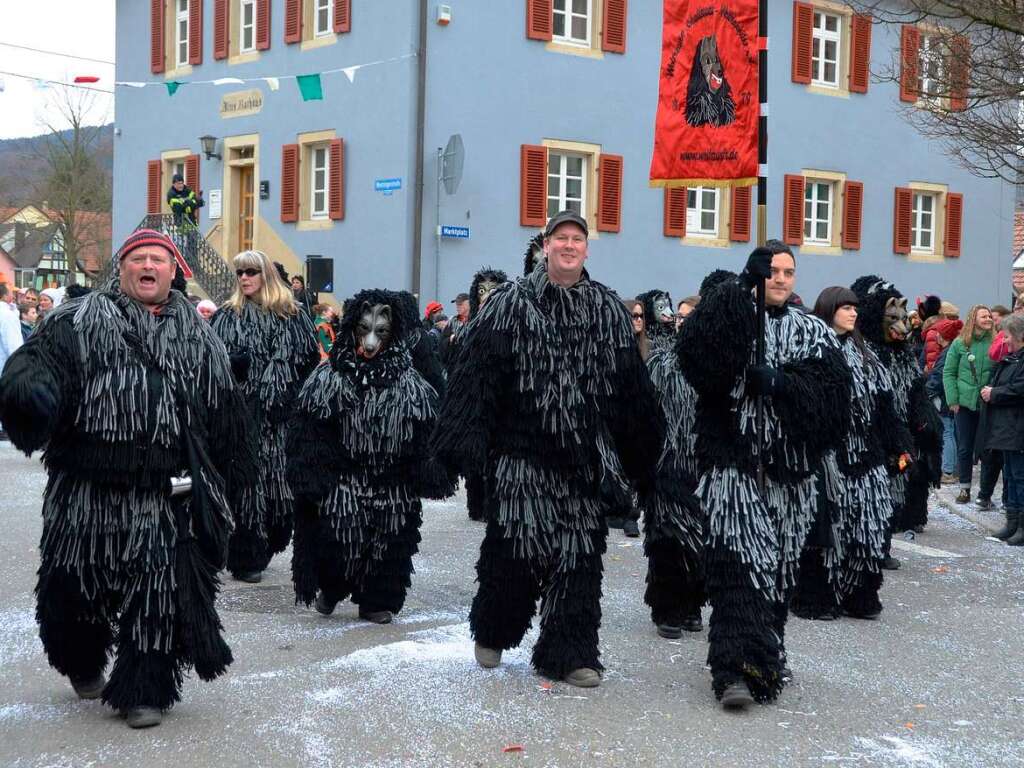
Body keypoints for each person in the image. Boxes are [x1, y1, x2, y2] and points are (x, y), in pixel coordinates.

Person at [0, 229, 254, 728]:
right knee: (73, 590)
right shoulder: (76, 322)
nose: (148, 266)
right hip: (86, 492)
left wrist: (234, 483)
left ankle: (145, 689)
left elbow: (224, 417)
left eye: (157, 259)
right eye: (138, 258)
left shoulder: (201, 337)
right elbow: (36, 365)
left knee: (157, 597)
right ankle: (81, 658)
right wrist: (26, 391)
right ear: (121, 268)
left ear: (173, 271)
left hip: (164, 496)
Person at [432, 210, 664, 688]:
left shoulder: (608, 309)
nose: (569, 246)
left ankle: (570, 651)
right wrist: (462, 446)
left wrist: (643, 459)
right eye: (561, 238)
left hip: (583, 459)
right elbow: (476, 378)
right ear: (546, 245)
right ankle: (495, 630)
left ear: (586, 249)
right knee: (515, 545)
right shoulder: (510, 305)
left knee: (579, 556)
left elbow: (631, 392)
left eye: (577, 239)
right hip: (523, 453)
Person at [677, 242, 851, 710]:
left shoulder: (814, 333)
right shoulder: (735, 317)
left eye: (787, 272)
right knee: (738, 567)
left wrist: (780, 383)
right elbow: (695, 356)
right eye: (770, 271)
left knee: (777, 574)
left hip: (790, 477)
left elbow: (834, 404)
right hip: (732, 468)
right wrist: (737, 289)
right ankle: (733, 670)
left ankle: (766, 652)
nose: (779, 279)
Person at [288, 289, 453, 624]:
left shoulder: (410, 383)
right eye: (364, 331)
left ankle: (377, 599)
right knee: (338, 533)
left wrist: (429, 472)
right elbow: (309, 430)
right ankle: (332, 587)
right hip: (345, 475)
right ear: (353, 329)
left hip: (392, 481)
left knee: (391, 539)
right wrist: (315, 475)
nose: (371, 343)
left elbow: (424, 435)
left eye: (380, 333)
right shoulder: (329, 377)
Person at [791, 287, 909, 623]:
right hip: (827, 455)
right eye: (845, 308)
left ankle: (860, 594)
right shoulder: (812, 349)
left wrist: (900, 446)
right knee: (827, 531)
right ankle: (816, 596)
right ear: (830, 310)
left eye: (855, 308)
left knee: (866, 530)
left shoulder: (867, 355)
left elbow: (885, 407)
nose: (853, 313)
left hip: (866, 455)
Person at [211, 250, 320, 583]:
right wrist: (231, 364)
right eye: (240, 272)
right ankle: (244, 556)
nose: (244, 277)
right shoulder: (226, 316)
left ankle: (268, 542)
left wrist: (293, 400)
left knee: (279, 495)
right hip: (241, 419)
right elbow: (209, 363)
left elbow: (308, 365)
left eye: (251, 271)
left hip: (281, 420)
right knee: (246, 490)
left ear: (266, 276)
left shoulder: (294, 316)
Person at [852, 276, 942, 550]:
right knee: (874, 486)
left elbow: (916, 388)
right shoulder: (863, 352)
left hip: (901, 433)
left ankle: (893, 531)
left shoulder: (903, 355)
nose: (902, 326)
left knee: (905, 473)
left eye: (904, 318)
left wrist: (925, 419)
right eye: (893, 318)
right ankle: (872, 542)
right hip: (872, 434)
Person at [444, 269, 508, 523]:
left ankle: (495, 502)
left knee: (497, 456)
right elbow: (452, 364)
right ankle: (476, 504)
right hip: (473, 402)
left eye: (492, 291)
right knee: (475, 456)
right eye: (482, 291)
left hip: (501, 403)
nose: (487, 296)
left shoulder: (510, 329)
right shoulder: (465, 331)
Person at [978, 313, 1024, 545]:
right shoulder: (1011, 358)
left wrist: (994, 393)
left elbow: (1019, 389)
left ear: (1018, 336)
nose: (1004, 342)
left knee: (1020, 477)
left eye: (1006, 337)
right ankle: (1012, 523)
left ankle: (1021, 526)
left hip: (1018, 427)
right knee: (1012, 477)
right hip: (1007, 428)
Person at [943, 305, 996, 505]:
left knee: (986, 450)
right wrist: (953, 400)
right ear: (973, 318)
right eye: (984, 316)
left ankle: (985, 493)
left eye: (990, 316)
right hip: (964, 404)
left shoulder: (995, 342)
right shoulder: (960, 343)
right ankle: (964, 488)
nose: (988, 319)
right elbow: (949, 373)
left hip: (987, 404)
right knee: (965, 448)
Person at [924, 319, 964, 484]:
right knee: (951, 432)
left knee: (947, 431)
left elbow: (939, 377)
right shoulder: (950, 350)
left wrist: (927, 390)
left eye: (939, 333)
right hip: (949, 397)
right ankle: (952, 469)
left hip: (944, 399)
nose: (937, 336)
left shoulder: (947, 353)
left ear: (943, 336)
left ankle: (948, 471)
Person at [0, 283, 23, 374]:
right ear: (5, 296)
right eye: (12, 293)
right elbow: (14, 347)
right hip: (5, 372)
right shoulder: (7, 315)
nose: (14, 296)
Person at [626, 298, 651, 362]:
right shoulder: (616, 349)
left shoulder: (649, 346)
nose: (639, 320)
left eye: (641, 316)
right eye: (635, 316)